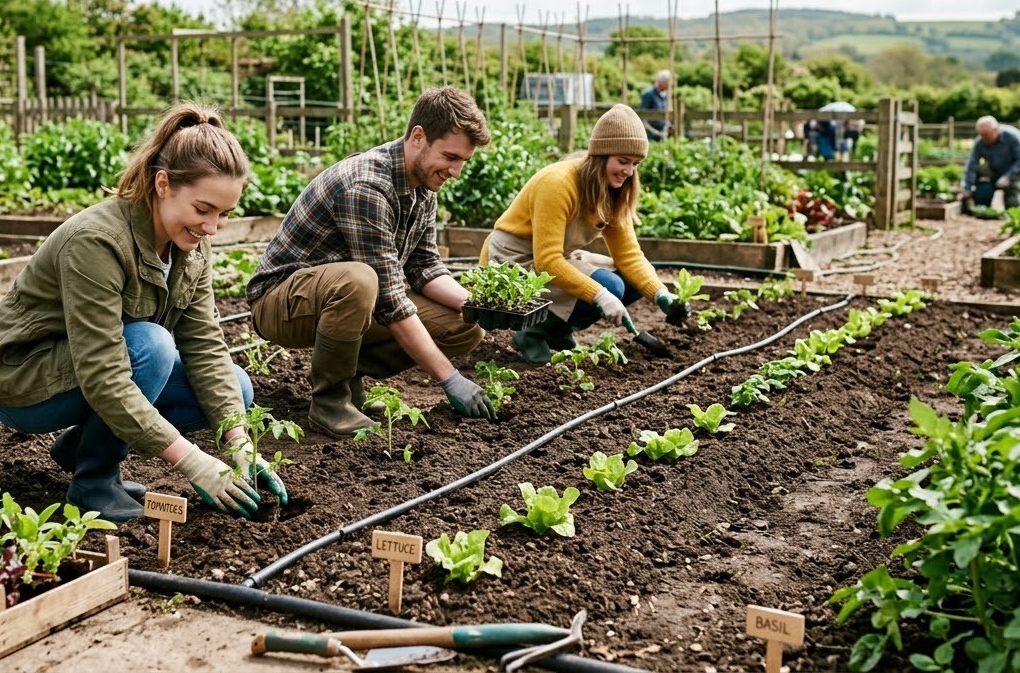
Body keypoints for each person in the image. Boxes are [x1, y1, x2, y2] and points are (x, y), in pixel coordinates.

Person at [0, 103, 283, 523]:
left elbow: (205, 345)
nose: (211, 227)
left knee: (237, 389)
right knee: (151, 346)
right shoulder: (96, 241)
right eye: (203, 209)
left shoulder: (191, 247)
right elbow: (103, 371)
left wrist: (238, 443)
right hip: (23, 380)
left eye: (224, 215)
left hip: (91, 371)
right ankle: (93, 482)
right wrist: (192, 461)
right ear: (162, 183)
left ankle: (81, 446)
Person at [246, 86, 495, 436]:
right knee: (361, 281)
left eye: (462, 162)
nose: (455, 171)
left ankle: (347, 379)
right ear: (418, 137)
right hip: (280, 303)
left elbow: (424, 267)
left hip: (344, 299)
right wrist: (449, 378)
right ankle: (329, 402)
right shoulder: (367, 185)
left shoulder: (422, 185)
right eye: (450, 157)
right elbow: (391, 300)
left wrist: (478, 304)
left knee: (465, 324)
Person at [482, 104, 688, 365]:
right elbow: (547, 260)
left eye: (635, 164)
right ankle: (532, 333)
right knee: (610, 286)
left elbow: (630, 256)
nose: (629, 171)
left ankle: (558, 330)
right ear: (601, 155)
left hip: (553, 259)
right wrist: (600, 294)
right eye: (622, 161)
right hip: (514, 260)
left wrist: (661, 295)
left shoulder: (614, 191)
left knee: (632, 280)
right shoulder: (558, 184)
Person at [959, 115, 1020, 209]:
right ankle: (981, 206)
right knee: (982, 193)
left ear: (996, 130)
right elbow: (972, 164)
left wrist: (1008, 176)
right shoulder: (980, 141)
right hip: (993, 170)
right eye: (981, 135)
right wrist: (967, 187)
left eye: (986, 135)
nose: (983, 138)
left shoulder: (1012, 136)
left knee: (1013, 204)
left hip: (1013, 172)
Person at [639, 69, 671, 140]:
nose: (669, 86)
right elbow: (642, 117)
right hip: (651, 135)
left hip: (663, 134)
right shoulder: (648, 95)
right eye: (668, 83)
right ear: (662, 82)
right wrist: (655, 132)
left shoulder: (664, 96)